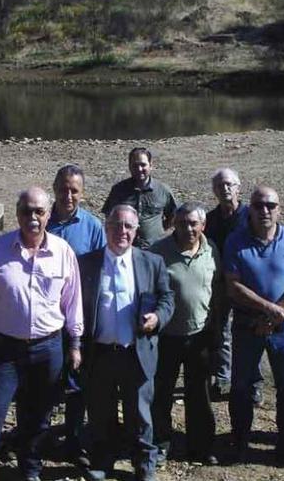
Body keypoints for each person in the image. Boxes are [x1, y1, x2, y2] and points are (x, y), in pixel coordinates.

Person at [0, 187, 83, 481]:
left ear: (48, 214)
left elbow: (73, 301)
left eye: (39, 212)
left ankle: (30, 470)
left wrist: (76, 342)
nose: (33, 217)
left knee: (38, 418)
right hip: (7, 350)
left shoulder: (63, 252)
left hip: (49, 348)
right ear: (18, 214)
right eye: (27, 211)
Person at [78, 205, 174, 481]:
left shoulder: (151, 262)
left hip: (137, 351)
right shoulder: (87, 263)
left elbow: (168, 298)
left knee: (140, 414)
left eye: (128, 227)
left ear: (136, 231)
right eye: (117, 225)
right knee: (101, 412)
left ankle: (144, 464)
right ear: (106, 227)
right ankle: (102, 462)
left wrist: (157, 318)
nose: (122, 231)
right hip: (101, 352)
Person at [223, 186, 284, 467]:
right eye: (259, 205)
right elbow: (233, 285)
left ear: (279, 208)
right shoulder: (236, 240)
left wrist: (274, 314)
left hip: (282, 328)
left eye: (270, 205)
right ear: (251, 209)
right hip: (247, 326)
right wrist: (266, 310)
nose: (265, 211)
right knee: (241, 386)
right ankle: (239, 442)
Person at [150, 202, 220, 466]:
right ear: (174, 224)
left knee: (199, 394)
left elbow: (218, 289)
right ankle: (160, 444)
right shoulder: (159, 251)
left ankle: (200, 447)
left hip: (199, 333)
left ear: (202, 225)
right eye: (182, 223)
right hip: (167, 336)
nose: (188, 228)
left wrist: (216, 326)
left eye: (193, 223)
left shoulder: (211, 249)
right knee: (162, 392)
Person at [45, 164, 105, 467]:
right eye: (63, 188)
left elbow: (101, 271)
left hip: (79, 315)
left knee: (77, 382)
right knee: (43, 382)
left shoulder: (93, 227)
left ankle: (74, 440)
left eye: (74, 190)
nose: (68, 195)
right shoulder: (41, 220)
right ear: (54, 188)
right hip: (44, 316)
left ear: (82, 193)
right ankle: (38, 439)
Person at [204, 168, 261, 402]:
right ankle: (223, 376)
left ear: (239, 187)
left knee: (251, 331)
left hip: (248, 283)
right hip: (221, 282)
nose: (224, 189)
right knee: (222, 331)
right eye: (219, 186)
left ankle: (254, 381)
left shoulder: (251, 215)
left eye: (229, 184)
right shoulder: (210, 220)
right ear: (214, 191)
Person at [101, 147, 177, 249]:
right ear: (129, 166)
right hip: (126, 248)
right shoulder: (118, 190)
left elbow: (174, 215)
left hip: (155, 249)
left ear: (151, 165)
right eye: (135, 165)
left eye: (143, 165)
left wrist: (161, 232)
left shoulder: (163, 190)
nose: (139, 169)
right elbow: (109, 217)